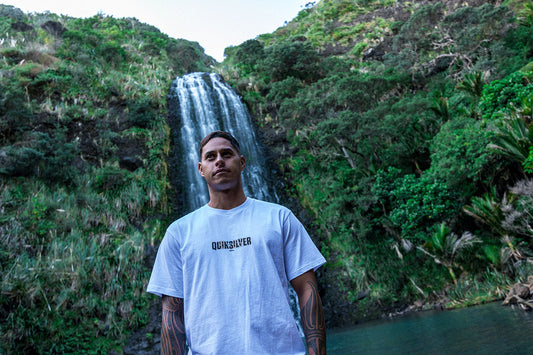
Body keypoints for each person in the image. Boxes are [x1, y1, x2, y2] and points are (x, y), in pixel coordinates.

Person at [147, 131, 326, 355]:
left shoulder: (279, 218)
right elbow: (172, 313)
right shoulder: (178, 233)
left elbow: (307, 290)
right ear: (201, 169)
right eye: (211, 157)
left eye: (226, 154)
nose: (219, 160)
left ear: (242, 162)